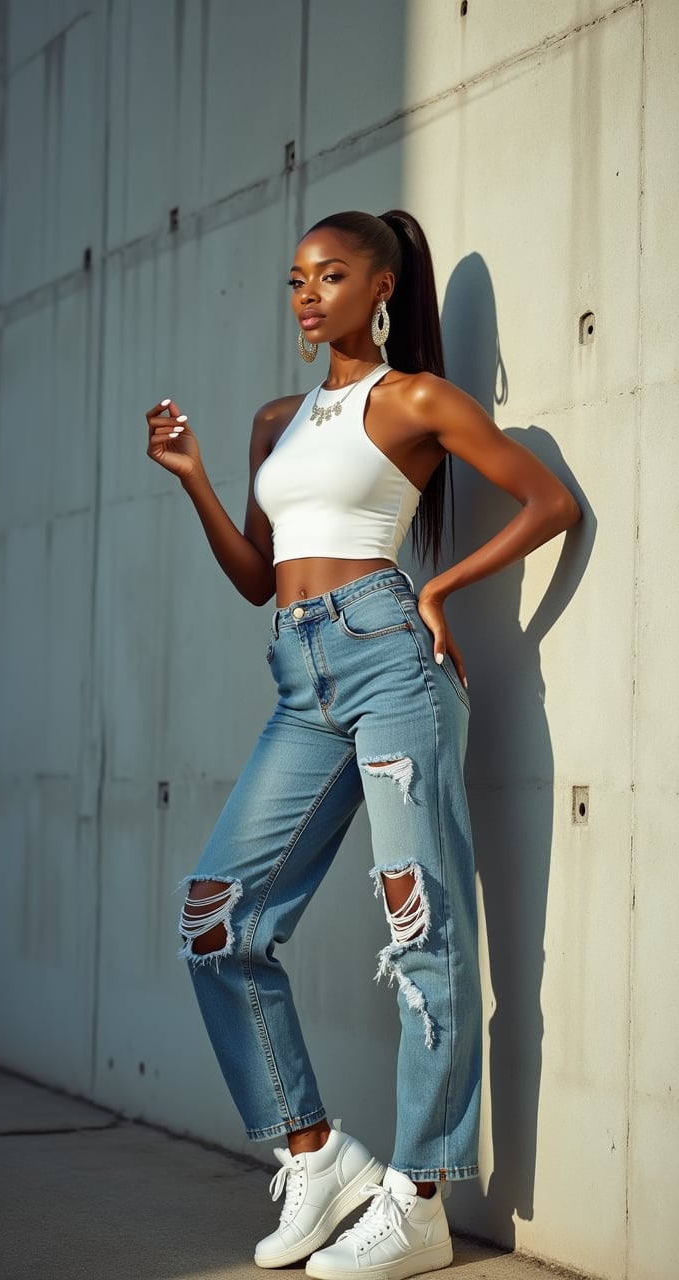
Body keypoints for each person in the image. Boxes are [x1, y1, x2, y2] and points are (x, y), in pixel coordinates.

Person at [145, 209, 581, 1278]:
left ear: (379, 290)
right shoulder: (274, 423)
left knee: (423, 928)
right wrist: (197, 475)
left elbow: (549, 498)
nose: (307, 293)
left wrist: (437, 585)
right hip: (300, 676)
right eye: (296, 276)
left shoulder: (416, 401)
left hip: (391, 663)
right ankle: (317, 1152)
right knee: (219, 917)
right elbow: (262, 577)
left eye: (330, 275)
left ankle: (419, 1197)